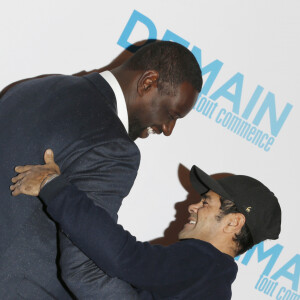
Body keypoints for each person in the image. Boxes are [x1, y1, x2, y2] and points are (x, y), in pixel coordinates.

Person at [0, 41, 202, 299]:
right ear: (148, 82)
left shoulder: (37, 86)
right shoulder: (114, 147)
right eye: (172, 114)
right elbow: (83, 270)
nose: (168, 129)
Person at [11, 149, 281, 300]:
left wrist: (53, 186)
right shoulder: (214, 284)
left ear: (234, 222)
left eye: (206, 203)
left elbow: (123, 257)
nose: (192, 206)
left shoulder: (203, 264)